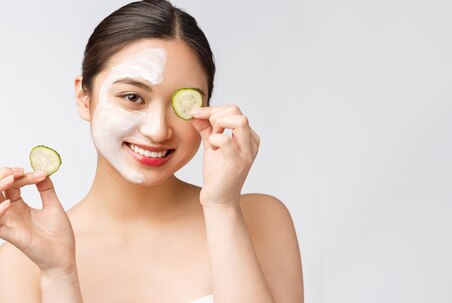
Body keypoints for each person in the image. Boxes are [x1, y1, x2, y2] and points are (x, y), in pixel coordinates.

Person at [0, 1, 304, 302]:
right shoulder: (24, 258)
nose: (158, 130)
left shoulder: (259, 219)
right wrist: (59, 274)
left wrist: (222, 208)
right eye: (133, 97)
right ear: (83, 97)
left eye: (184, 104)